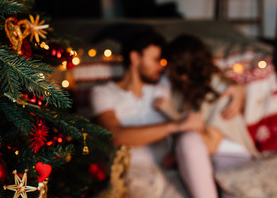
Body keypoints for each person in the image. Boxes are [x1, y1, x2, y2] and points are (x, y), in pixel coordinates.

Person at [90, 28, 245, 197]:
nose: (161, 66)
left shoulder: (163, 85)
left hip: (170, 173)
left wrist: (237, 89)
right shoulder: (103, 93)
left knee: (190, 141)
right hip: (133, 173)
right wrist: (174, 126)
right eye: (156, 60)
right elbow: (115, 136)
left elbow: (201, 73)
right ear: (135, 58)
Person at [154, 34, 260, 198]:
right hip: (204, 162)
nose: (165, 72)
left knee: (188, 139)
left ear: (184, 68)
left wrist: (174, 117)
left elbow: (210, 143)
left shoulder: (221, 88)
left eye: (169, 66)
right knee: (187, 140)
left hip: (232, 157)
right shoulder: (178, 91)